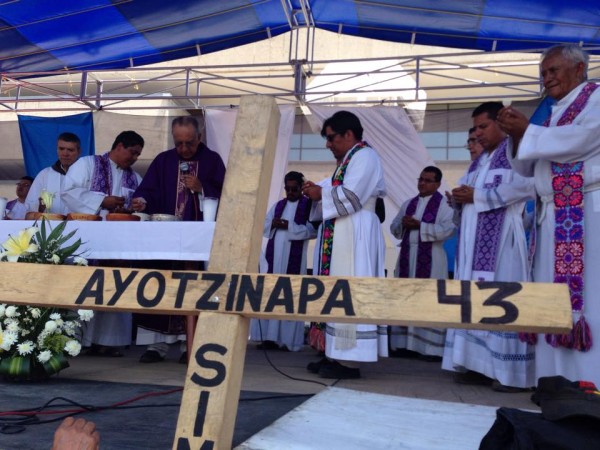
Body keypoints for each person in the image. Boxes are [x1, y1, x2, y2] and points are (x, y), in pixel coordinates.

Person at [497, 44, 600, 385]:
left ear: (580, 69)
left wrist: (528, 131)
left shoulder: (596, 99)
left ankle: (587, 384)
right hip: (551, 217)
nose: (547, 79)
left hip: (585, 216)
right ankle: (554, 382)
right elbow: (528, 167)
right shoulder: (555, 112)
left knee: (587, 300)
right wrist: (516, 137)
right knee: (549, 298)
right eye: (543, 73)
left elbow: (579, 141)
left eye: (553, 70)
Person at [442, 101, 536, 392]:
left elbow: (528, 186)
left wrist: (478, 196)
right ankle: (476, 365)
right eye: (476, 128)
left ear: (501, 123)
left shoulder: (515, 152)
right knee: (474, 298)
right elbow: (470, 191)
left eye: (483, 126)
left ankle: (511, 374)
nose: (478, 134)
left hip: (504, 242)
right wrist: (458, 198)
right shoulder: (481, 161)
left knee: (503, 300)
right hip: (473, 243)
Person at [132, 116, 226, 363]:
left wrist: (203, 187)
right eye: (179, 143)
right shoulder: (164, 160)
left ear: (200, 138)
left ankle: (189, 344)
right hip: (165, 238)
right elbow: (148, 190)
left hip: (197, 239)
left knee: (194, 285)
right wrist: (141, 201)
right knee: (160, 283)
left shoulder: (212, 161)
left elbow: (228, 192)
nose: (184, 149)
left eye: (189, 143)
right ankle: (156, 345)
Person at [302, 110, 387, 379]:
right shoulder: (348, 160)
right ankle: (336, 354)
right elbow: (336, 190)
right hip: (343, 230)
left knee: (349, 291)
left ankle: (350, 361)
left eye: (331, 138)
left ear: (348, 134)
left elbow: (351, 196)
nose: (327, 144)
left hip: (356, 231)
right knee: (336, 291)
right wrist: (316, 191)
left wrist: (321, 193)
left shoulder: (365, 156)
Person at [63, 130, 145, 357]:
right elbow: (68, 192)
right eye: (133, 153)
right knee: (86, 286)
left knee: (114, 285)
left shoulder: (135, 177)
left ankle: (110, 342)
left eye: (138, 154)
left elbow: (142, 200)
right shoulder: (88, 164)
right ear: (119, 146)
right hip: (88, 240)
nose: (135, 158)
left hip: (118, 243)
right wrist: (102, 201)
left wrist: (138, 205)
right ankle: (79, 341)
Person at [389, 166, 455, 360]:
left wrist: (420, 226)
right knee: (405, 298)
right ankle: (403, 345)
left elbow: (448, 229)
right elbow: (394, 228)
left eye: (427, 180)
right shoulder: (408, 203)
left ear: (437, 184)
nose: (422, 183)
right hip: (407, 258)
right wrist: (403, 224)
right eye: (421, 179)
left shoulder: (444, 205)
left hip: (433, 259)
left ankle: (429, 348)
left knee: (429, 299)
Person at [250, 171, 317, 351]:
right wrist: (273, 224)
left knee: (289, 295)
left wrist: (290, 226)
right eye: (287, 189)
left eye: (294, 189)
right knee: (271, 294)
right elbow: (263, 224)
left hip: (294, 259)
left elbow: (313, 230)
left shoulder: (308, 205)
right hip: (274, 258)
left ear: (301, 187)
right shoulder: (279, 205)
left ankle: (288, 341)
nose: (290, 192)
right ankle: (269, 338)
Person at [24, 132, 81, 215]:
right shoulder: (44, 175)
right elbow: (29, 206)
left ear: (79, 151)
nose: (65, 154)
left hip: (81, 224)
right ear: (57, 149)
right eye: (61, 149)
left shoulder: (88, 174)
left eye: (70, 150)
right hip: (51, 225)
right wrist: (39, 206)